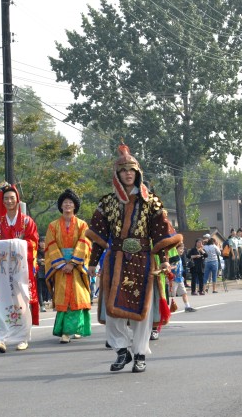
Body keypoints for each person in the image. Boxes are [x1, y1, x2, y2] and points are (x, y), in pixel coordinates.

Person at [86, 143, 182, 373]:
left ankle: (140, 354)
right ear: (117, 174)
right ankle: (121, 351)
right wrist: (92, 262)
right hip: (115, 260)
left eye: (132, 170)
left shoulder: (151, 201)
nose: (128, 174)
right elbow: (99, 235)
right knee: (112, 310)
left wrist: (164, 258)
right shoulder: (106, 202)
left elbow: (161, 233)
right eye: (124, 170)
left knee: (143, 311)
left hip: (142, 260)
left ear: (138, 173)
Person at [0, 182, 39, 353]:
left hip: (20, 269)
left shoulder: (26, 221)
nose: (9, 201)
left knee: (21, 300)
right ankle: (1, 337)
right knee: (1, 300)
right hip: (3, 272)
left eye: (12, 198)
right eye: (6, 199)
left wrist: (17, 245)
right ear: (2, 202)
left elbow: (33, 243)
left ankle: (23, 336)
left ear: (17, 200)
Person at [44, 189, 92, 344]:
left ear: (75, 206)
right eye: (65, 202)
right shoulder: (53, 226)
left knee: (78, 295)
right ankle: (65, 331)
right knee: (63, 295)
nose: (67, 205)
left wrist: (72, 263)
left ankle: (77, 329)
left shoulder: (82, 225)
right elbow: (50, 246)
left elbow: (84, 243)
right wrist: (61, 264)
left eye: (70, 203)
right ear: (61, 206)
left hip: (76, 267)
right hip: (60, 267)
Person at [169, 243, 196, 312]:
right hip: (173, 279)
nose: (182, 250)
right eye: (180, 249)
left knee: (184, 293)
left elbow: (180, 268)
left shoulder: (180, 258)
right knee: (171, 295)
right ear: (175, 249)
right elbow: (168, 267)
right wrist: (172, 267)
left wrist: (182, 276)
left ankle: (187, 306)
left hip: (180, 278)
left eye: (183, 249)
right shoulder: (172, 258)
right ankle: (167, 308)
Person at [36, 237, 50, 312]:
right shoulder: (36, 251)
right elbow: (36, 260)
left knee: (48, 287)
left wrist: (44, 261)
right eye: (41, 242)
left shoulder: (48, 251)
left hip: (48, 271)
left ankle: (48, 301)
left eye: (44, 242)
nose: (43, 243)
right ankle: (42, 305)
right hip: (39, 272)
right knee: (40, 289)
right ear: (38, 243)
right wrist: (40, 261)